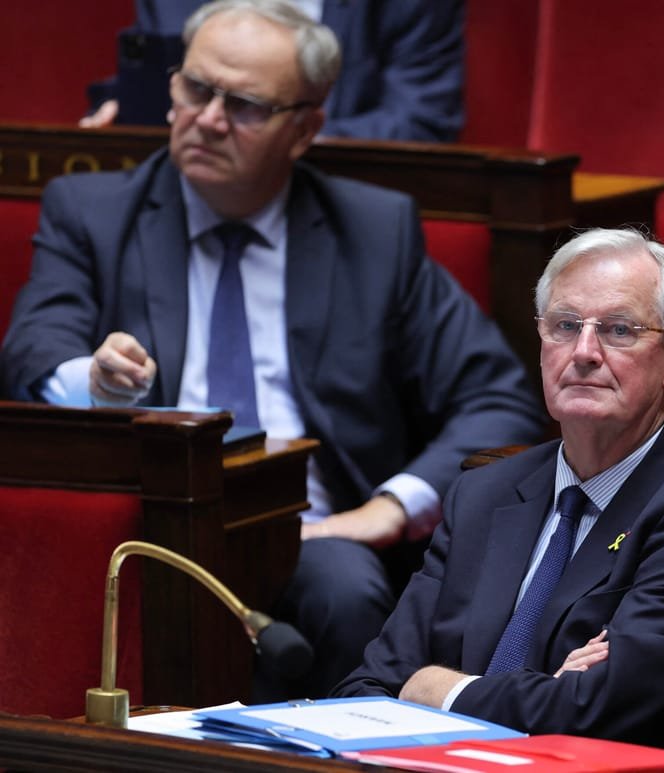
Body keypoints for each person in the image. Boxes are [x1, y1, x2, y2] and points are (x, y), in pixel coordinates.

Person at [0, 0, 542, 699]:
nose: (210, 118)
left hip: (311, 534)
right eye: (196, 88)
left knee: (346, 590)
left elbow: (497, 396)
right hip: (140, 523)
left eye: (246, 104)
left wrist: (389, 508)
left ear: (306, 127)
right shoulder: (92, 211)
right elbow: (31, 352)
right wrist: (94, 382)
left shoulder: (375, 232)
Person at [333, 228, 664, 758]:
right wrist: (547, 690)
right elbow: (366, 688)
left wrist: (437, 688)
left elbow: (593, 713)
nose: (583, 352)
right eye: (564, 326)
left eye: (619, 330)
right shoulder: (484, 495)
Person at [82, 0, 464, 141]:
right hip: (184, 197)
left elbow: (422, 118)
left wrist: (279, 135)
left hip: (338, 196)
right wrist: (124, 110)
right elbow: (158, 76)